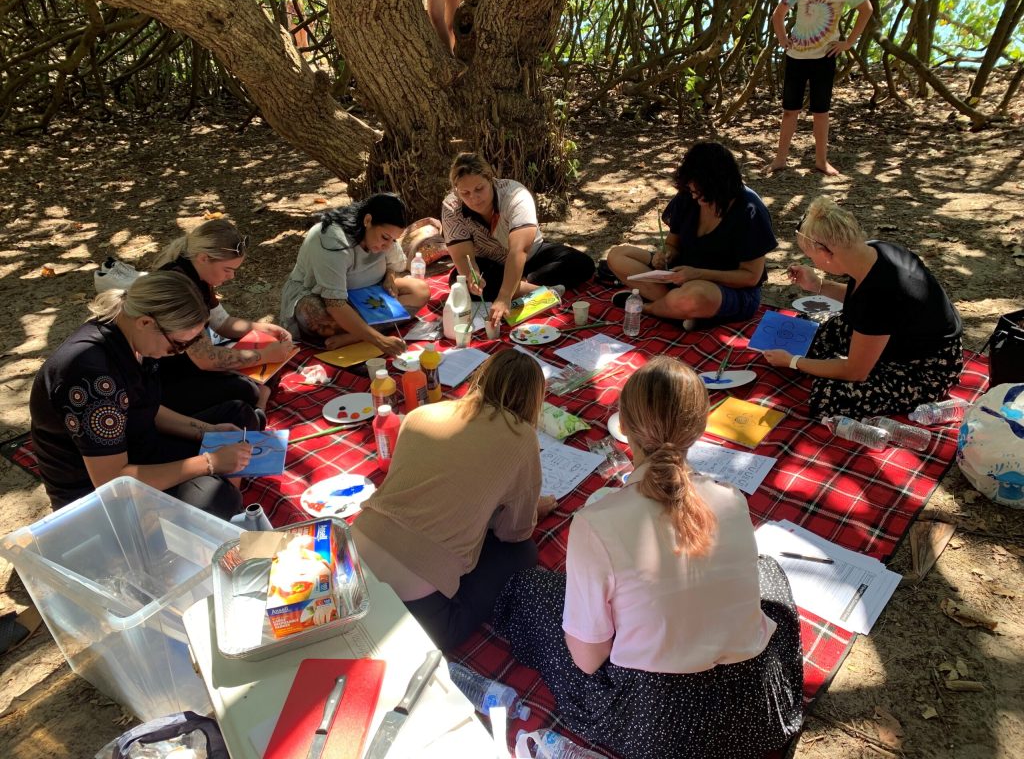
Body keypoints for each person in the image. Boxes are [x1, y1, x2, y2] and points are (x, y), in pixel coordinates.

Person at [493, 358, 804, 759]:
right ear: (701, 426)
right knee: (769, 572)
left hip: (658, 729)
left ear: (622, 424)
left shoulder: (595, 524)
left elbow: (588, 661)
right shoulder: (731, 499)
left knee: (532, 589)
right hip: (753, 713)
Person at [350, 349, 558, 651]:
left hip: (353, 564)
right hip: (418, 611)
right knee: (523, 552)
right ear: (533, 402)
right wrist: (530, 509)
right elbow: (514, 532)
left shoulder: (420, 414)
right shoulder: (522, 437)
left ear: (480, 379)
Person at [29, 272, 258, 518]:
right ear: (146, 322)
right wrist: (209, 463)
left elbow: (146, 407)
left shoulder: (134, 338)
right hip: (98, 497)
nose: (179, 352)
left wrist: (207, 431)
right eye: (178, 344)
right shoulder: (92, 377)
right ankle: (224, 504)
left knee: (239, 417)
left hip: (139, 446)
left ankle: (225, 492)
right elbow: (111, 482)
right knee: (215, 497)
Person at [762, 196, 963, 420]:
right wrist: (817, 285)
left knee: (828, 396)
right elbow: (859, 300)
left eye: (811, 256)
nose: (813, 262)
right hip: (901, 337)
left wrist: (793, 361)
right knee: (818, 335)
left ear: (826, 253)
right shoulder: (875, 250)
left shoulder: (879, 293)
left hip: (927, 368)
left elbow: (855, 371)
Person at [605, 141, 776, 330]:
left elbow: (750, 277)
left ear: (721, 186)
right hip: (681, 276)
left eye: (702, 193)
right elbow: (672, 244)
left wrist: (698, 274)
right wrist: (665, 254)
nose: (695, 197)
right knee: (618, 255)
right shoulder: (688, 197)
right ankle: (676, 309)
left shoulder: (749, 210)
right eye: (693, 191)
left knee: (694, 297)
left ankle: (649, 308)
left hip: (724, 289)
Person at [153, 219, 297, 416]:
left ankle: (259, 399)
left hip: (193, 365)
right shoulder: (179, 289)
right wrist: (265, 355)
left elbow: (222, 322)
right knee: (246, 388)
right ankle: (259, 404)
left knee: (267, 365)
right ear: (204, 258)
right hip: (169, 380)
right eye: (227, 270)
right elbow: (206, 359)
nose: (231, 277)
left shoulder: (198, 277)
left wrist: (266, 329)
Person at [441, 153, 595, 327]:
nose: (474, 198)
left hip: (529, 257)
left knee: (582, 264)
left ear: (490, 179)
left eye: (479, 189)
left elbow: (519, 250)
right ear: (456, 190)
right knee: (459, 280)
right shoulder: (452, 206)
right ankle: (535, 291)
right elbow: (463, 257)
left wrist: (505, 296)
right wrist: (472, 275)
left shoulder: (515, 194)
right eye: (465, 193)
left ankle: (519, 286)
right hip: (489, 264)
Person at [280, 193, 430, 357]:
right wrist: (380, 341)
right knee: (316, 315)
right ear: (367, 220)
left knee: (419, 290)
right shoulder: (332, 240)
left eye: (393, 240)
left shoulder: (385, 238)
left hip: (368, 295)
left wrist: (390, 278)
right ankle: (368, 331)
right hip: (326, 299)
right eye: (385, 238)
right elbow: (335, 304)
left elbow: (394, 266)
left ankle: (354, 336)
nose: (388, 246)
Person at [769, 0, 873, 175]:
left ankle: (821, 162)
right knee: (789, 111)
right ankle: (780, 159)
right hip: (796, 57)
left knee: (821, 112)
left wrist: (848, 43)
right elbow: (778, 15)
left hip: (825, 58)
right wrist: (782, 39)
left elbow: (867, 9)